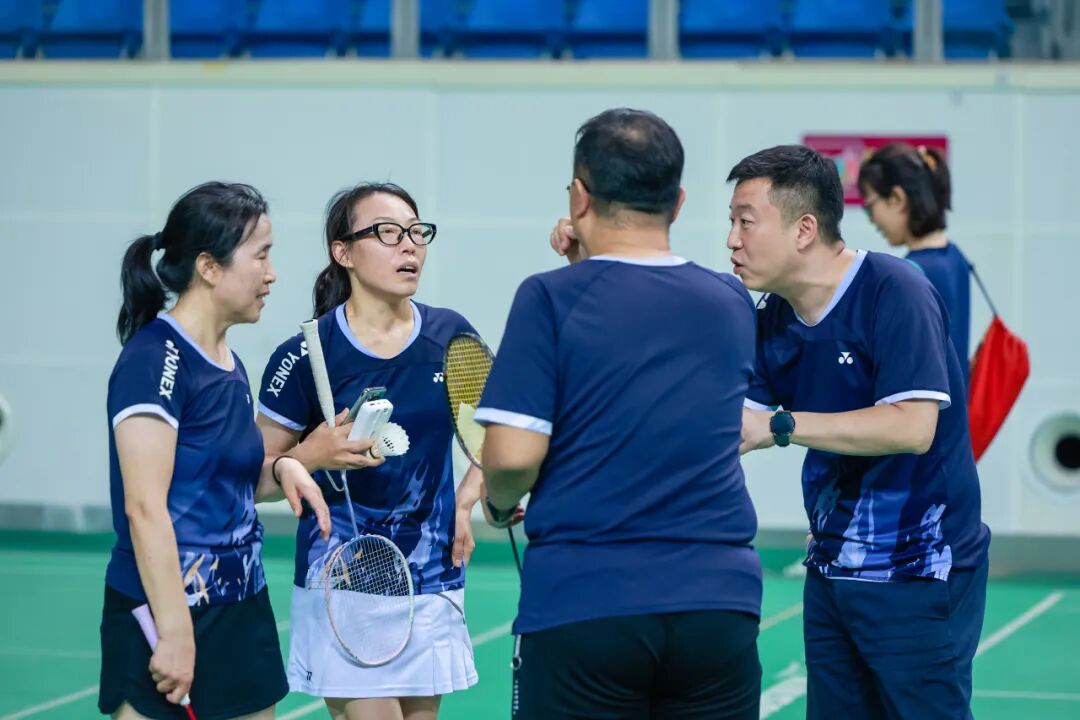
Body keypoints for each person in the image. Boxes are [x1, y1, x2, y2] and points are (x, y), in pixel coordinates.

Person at [477, 108, 764, 720]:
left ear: (580, 198)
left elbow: (513, 457)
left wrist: (497, 505)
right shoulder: (731, 301)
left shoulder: (549, 297)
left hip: (587, 600)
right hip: (719, 605)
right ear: (678, 203)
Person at [729, 145, 990, 720]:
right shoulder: (773, 317)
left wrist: (782, 425)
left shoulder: (896, 290)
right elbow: (726, 424)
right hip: (830, 569)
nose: (732, 240)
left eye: (746, 222)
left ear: (804, 229)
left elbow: (912, 426)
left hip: (921, 570)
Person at [100, 182, 331, 720]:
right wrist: (176, 632)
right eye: (261, 256)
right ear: (208, 267)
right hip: (164, 610)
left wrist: (291, 464)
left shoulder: (229, 362)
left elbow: (234, 482)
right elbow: (144, 506)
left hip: (240, 606)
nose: (272, 274)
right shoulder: (155, 360)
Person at [257, 182, 485, 720]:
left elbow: (495, 438)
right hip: (341, 583)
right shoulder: (307, 354)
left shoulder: (451, 336)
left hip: (431, 577)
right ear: (344, 252)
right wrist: (308, 455)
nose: (409, 245)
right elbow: (253, 480)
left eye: (416, 232)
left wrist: (467, 500)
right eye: (387, 233)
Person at [858, 142, 971, 385]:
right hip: (956, 407)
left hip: (926, 408)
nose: (873, 221)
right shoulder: (955, 257)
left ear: (897, 198)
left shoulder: (910, 275)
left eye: (870, 207)